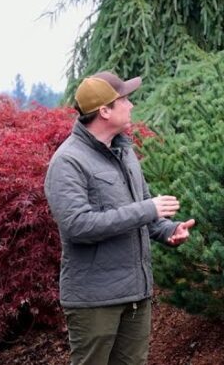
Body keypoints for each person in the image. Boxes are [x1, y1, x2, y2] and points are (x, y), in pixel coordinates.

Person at [44, 71, 195, 365]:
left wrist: (168, 229)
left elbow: (143, 213)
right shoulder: (68, 162)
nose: (131, 105)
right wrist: (148, 210)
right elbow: (78, 226)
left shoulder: (124, 152)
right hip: (94, 302)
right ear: (104, 110)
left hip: (136, 296)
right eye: (124, 99)